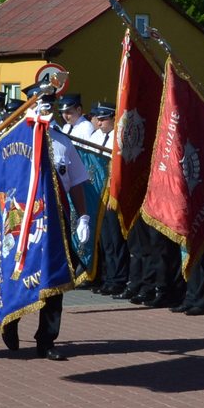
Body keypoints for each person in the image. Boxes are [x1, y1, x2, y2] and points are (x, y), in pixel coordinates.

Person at [1, 84, 91, 360]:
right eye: (40, 103)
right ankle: (12, 320)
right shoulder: (13, 139)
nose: (46, 108)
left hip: (55, 222)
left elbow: (76, 182)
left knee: (54, 279)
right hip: (22, 220)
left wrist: (83, 216)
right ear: (29, 106)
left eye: (49, 104)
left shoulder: (62, 142)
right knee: (20, 274)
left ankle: (47, 339)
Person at [88, 103, 130, 295]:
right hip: (98, 194)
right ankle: (107, 277)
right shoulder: (95, 136)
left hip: (112, 193)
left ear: (114, 118)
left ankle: (119, 278)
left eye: (104, 119)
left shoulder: (119, 137)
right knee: (105, 241)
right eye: (99, 119)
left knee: (115, 239)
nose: (100, 122)